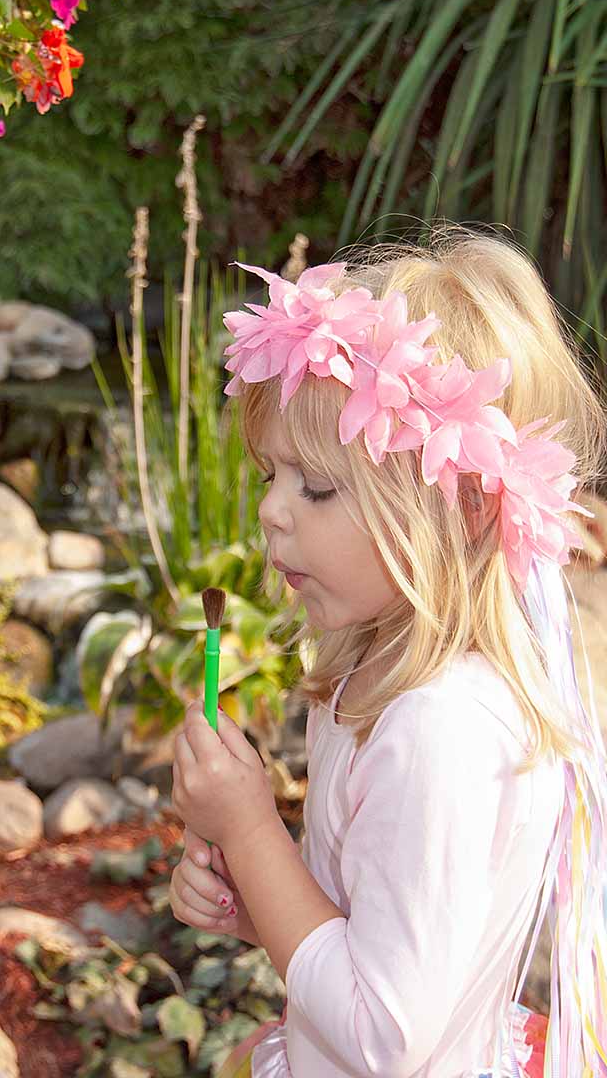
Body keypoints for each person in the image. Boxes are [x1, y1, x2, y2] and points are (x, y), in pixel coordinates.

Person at [168, 226, 607, 1078]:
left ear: (464, 512)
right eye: (271, 475)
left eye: (318, 487)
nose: (272, 513)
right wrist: (255, 902)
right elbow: (368, 940)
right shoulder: (374, 670)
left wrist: (252, 831)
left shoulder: (440, 730)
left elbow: (384, 1037)